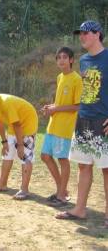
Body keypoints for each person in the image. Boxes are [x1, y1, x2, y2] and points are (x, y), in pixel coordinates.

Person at [56, 21, 108, 228]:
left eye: (86, 33)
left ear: (98, 34)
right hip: (84, 119)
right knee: (83, 165)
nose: (82, 37)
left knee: (106, 169)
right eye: (80, 34)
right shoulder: (85, 60)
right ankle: (80, 209)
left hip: (102, 122)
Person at [0, 84, 38, 200]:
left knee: (24, 156)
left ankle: (24, 190)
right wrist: (4, 142)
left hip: (27, 124)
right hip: (14, 125)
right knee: (7, 154)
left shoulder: (6, 103)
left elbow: (17, 125)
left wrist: (20, 145)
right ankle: (2, 184)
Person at [41, 47, 83, 206]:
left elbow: (78, 106)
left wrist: (56, 109)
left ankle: (62, 196)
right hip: (53, 125)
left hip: (64, 127)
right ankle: (62, 190)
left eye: (65, 57)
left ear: (71, 60)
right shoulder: (60, 77)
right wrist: (50, 107)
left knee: (63, 159)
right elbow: (60, 103)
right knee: (45, 156)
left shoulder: (76, 79)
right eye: (58, 58)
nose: (61, 60)